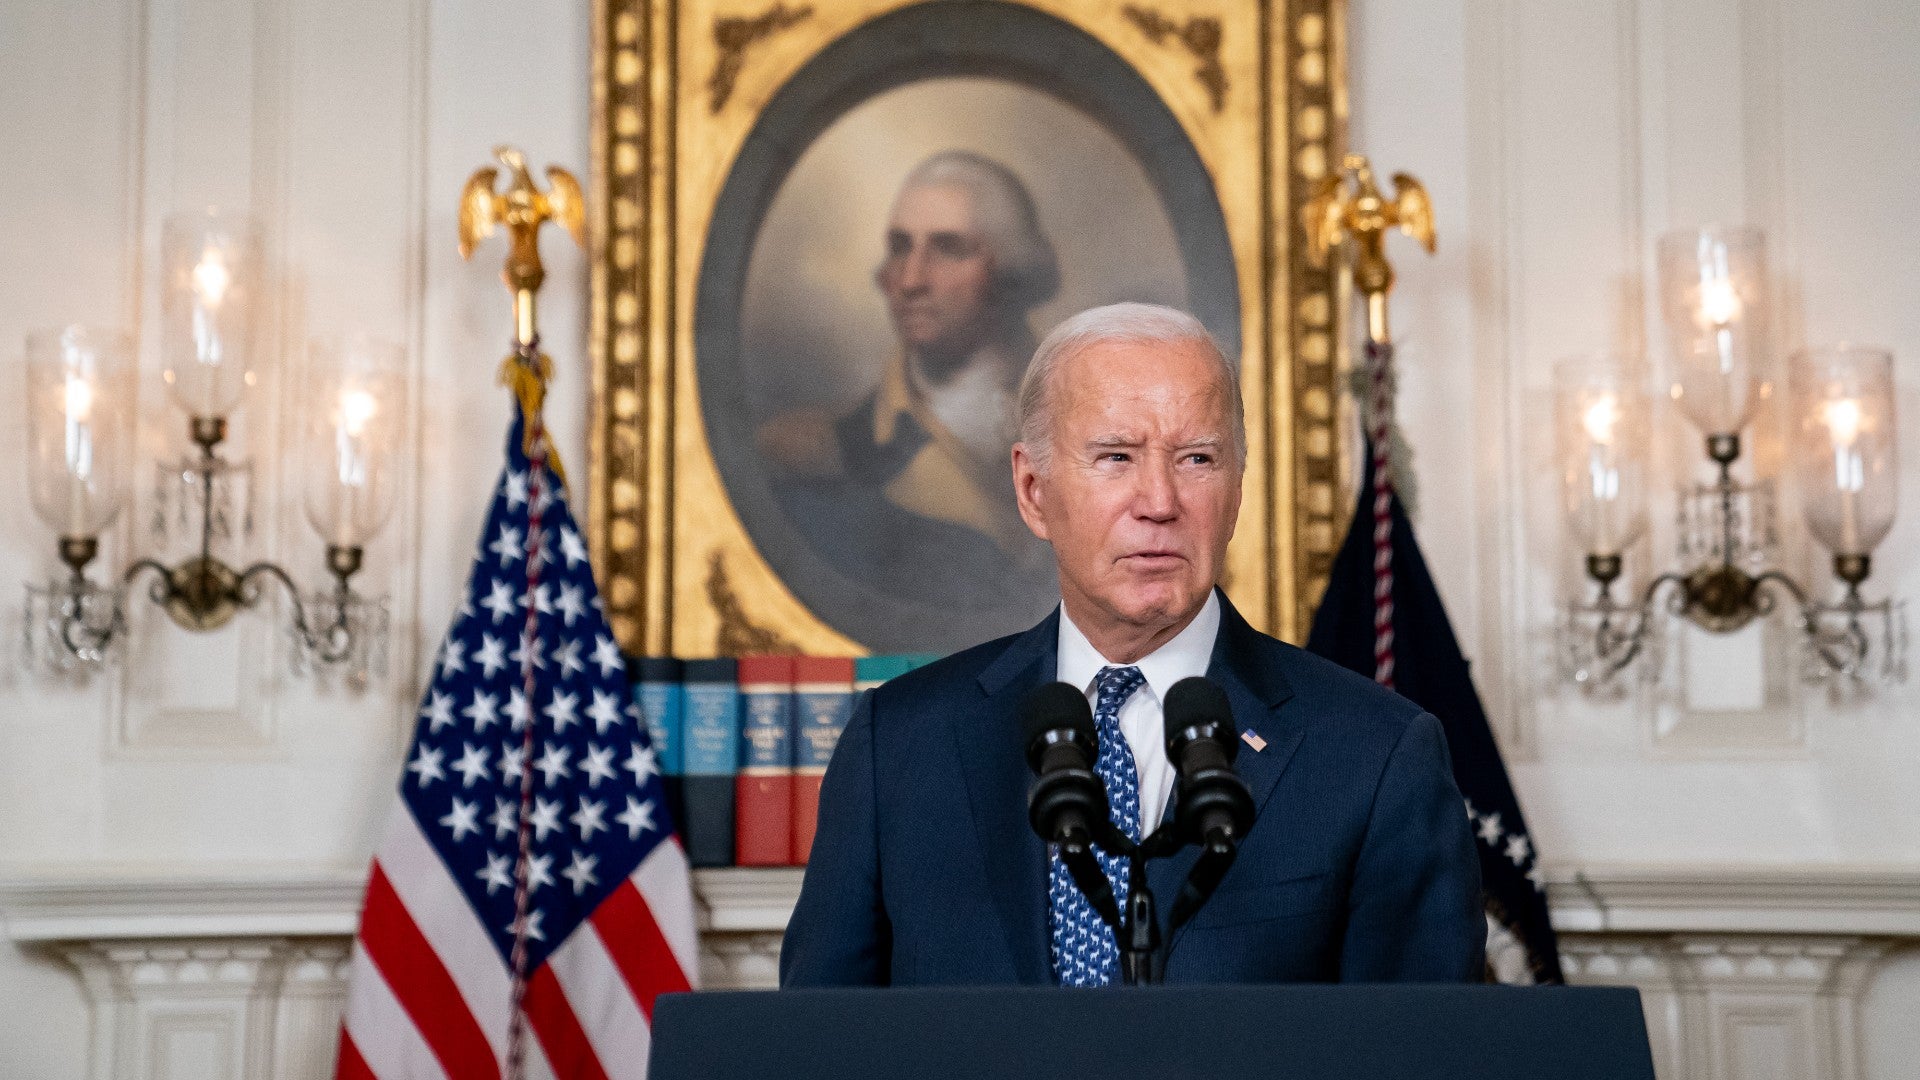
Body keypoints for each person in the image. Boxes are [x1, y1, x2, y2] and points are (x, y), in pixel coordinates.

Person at [780, 302, 1484, 986]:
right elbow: (819, 1053)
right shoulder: (899, 745)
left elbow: (1418, 1061)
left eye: (1198, 458)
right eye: (1116, 457)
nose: (1159, 500)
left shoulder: (1377, 755)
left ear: (1237, 490)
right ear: (1032, 490)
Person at [758, 151, 1058, 621]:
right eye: (900, 247)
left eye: (948, 248)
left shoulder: (1087, 426)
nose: (911, 280)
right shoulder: (814, 458)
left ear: (1011, 271)